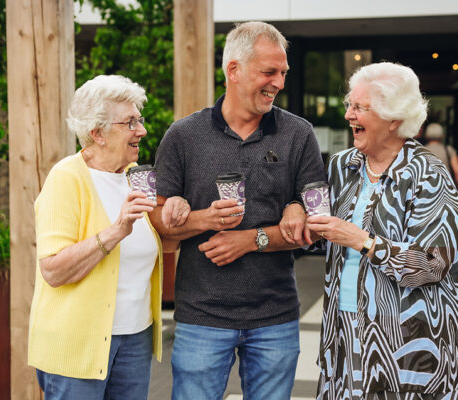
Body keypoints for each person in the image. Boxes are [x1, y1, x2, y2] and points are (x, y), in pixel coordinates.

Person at [283, 62, 458, 399]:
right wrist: (296, 207)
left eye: (360, 107)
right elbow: (317, 222)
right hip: (346, 331)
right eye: (350, 104)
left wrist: (359, 239)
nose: (349, 115)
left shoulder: (428, 174)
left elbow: (431, 265)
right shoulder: (342, 166)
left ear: (394, 118)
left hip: (414, 343)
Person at [150, 21, 326, 399]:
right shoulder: (182, 136)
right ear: (233, 70)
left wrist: (252, 239)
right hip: (202, 317)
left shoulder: (298, 134)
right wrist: (203, 219)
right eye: (268, 72)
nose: (278, 82)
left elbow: (316, 224)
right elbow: (157, 221)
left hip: (275, 317)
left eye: (282, 73)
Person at [28, 75, 190, 399]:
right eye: (130, 122)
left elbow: (163, 246)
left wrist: (176, 212)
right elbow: (53, 270)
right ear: (97, 133)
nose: (141, 131)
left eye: (139, 121)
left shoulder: (135, 178)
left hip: (136, 338)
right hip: (77, 344)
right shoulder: (66, 178)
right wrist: (116, 231)